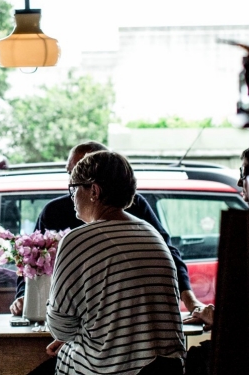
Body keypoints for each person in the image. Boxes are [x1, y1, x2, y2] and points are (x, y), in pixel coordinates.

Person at [11, 141, 204, 316]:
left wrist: (191, 302)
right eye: (69, 173)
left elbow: (169, 253)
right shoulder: (54, 212)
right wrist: (24, 296)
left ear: (97, 184)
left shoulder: (136, 209)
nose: (70, 183)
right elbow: (32, 261)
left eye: (77, 175)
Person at [46, 151, 185, 375]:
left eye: (74, 188)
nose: (71, 196)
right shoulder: (150, 233)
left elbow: (60, 327)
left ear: (94, 190)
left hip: (111, 368)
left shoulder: (79, 239)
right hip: (165, 367)